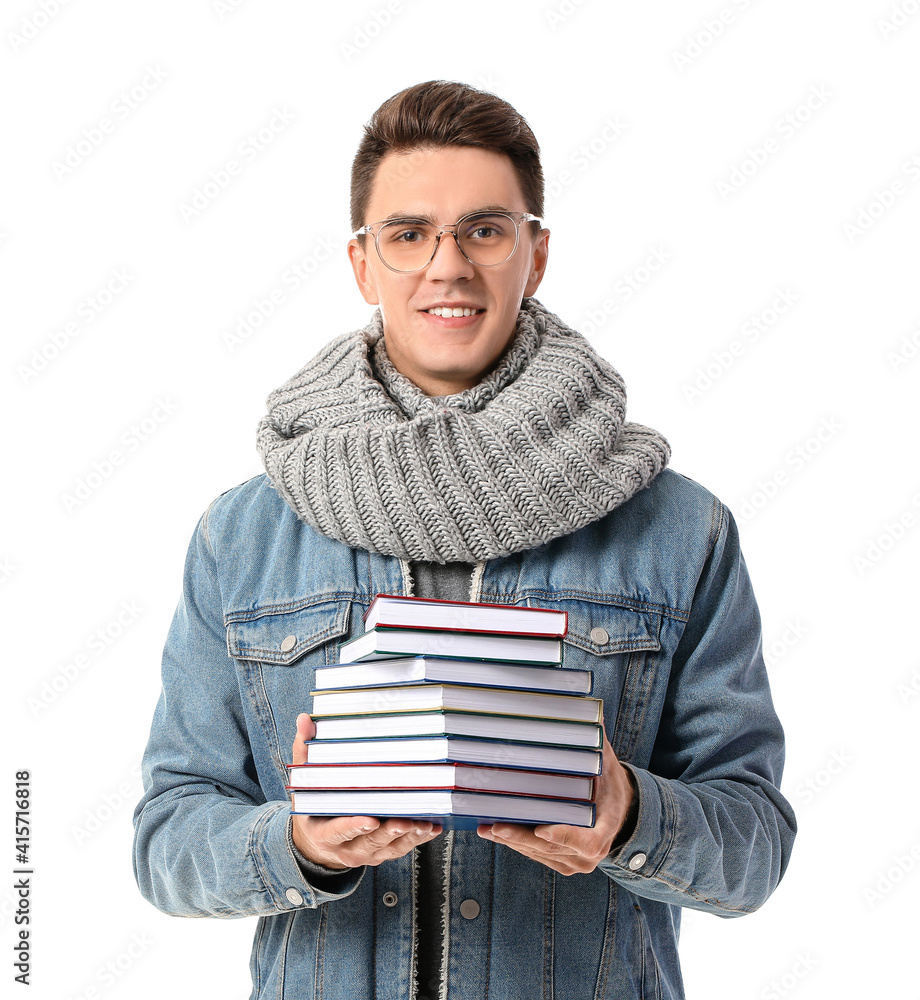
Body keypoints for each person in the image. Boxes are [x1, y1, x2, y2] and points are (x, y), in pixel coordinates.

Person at [133, 80, 796, 1000]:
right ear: (364, 265)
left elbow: (755, 846)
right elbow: (167, 840)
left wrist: (630, 812)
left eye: (485, 230)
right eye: (409, 235)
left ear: (537, 253)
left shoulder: (680, 529)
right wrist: (297, 842)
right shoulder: (242, 535)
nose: (448, 266)